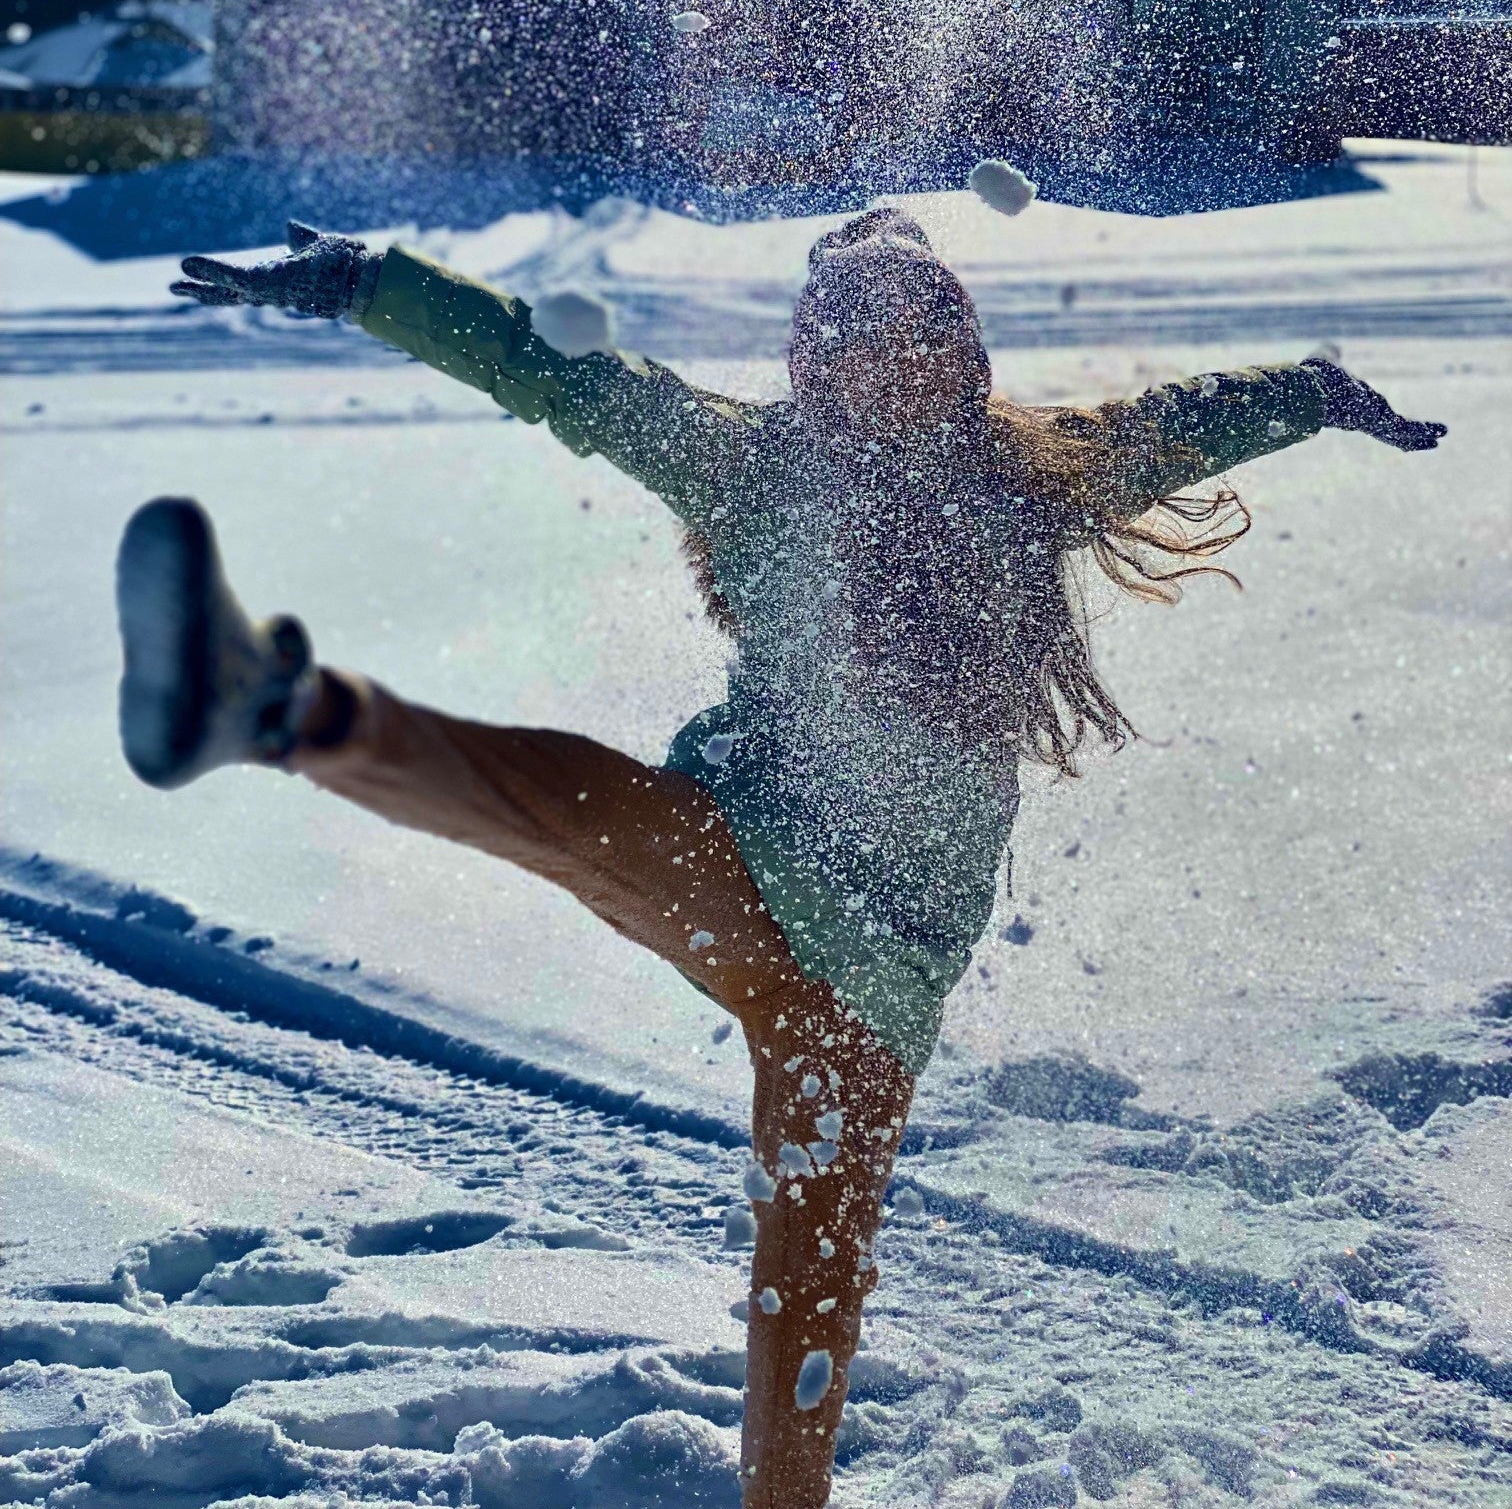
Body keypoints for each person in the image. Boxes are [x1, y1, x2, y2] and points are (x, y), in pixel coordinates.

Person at [116, 207, 1445, 1507]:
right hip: (746, 847)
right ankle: (275, 706)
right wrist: (368, 282)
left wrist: (1322, 389)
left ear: (966, 354)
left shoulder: (1043, 470)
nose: (883, 363)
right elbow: (547, 370)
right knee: (574, 809)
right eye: (848, 339)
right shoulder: (750, 465)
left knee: (810, 1296)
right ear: (807, 361)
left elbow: (1198, 413)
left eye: (915, 334)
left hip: (891, 968)